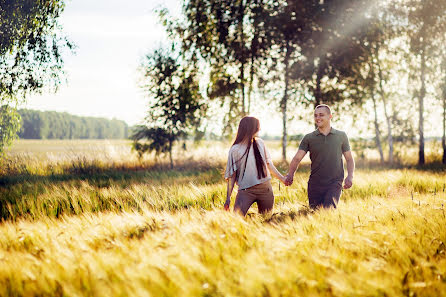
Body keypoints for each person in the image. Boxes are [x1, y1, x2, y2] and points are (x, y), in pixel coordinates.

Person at [284, 104, 355, 209]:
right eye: (315, 115)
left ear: (330, 116)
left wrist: (350, 176)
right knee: (315, 214)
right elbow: (297, 158)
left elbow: (349, 159)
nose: (318, 118)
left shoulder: (341, 136)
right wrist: (290, 175)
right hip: (315, 184)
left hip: (334, 182)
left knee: (328, 211)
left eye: (321, 115)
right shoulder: (309, 138)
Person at [224, 116, 285, 216]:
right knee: (236, 219)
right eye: (257, 127)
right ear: (250, 128)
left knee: (267, 221)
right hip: (246, 191)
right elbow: (232, 176)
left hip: (266, 190)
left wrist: (282, 179)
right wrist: (228, 198)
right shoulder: (235, 150)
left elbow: (269, 164)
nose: (259, 129)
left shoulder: (260, 143)